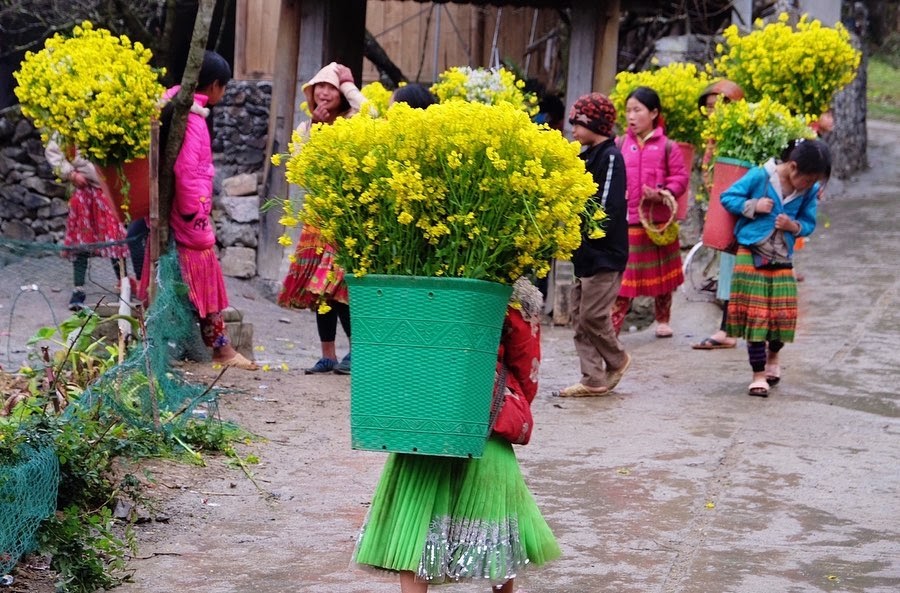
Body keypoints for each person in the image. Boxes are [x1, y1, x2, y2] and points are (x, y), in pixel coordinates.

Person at [353, 277, 560, 592]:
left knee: (417, 522)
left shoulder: (408, 280)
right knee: (496, 525)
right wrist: (511, 401)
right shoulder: (513, 297)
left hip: (422, 414)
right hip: (484, 421)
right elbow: (525, 366)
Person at [161, 50, 257, 371]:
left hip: (175, 211)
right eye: (224, 87)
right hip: (188, 214)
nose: (224, 94)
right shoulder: (193, 117)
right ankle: (222, 350)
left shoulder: (181, 108)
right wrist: (197, 216)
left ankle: (218, 349)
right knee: (204, 276)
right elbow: (190, 171)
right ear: (214, 85)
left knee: (179, 282)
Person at [720, 138, 831, 397]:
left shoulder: (809, 192)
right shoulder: (760, 177)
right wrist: (753, 206)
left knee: (782, 315)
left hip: (782, 256)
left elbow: (808, 222)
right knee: (756, 315)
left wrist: (794, 227)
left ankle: (773, 360)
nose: (811, 185)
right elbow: (728, 197)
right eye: (809, 179)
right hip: (751, 252)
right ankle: (758, 374)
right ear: (793, 167)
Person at [278, 62, 363, 375]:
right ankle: (327, 355)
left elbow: (372, 113)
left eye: (332, 87)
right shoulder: (304, 129)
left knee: (339, 286)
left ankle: (356, 353)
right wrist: (315, 130)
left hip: (346, 217)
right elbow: (301, 168)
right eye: (320, 87)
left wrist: (349, 83)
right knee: (319, 290)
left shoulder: (355, 121)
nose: (325, 93)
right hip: (318, 215)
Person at [557, 93, 631, 397]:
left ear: (596, 124)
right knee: (579, 317)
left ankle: (618, 359)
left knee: (592, 315)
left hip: (605, 253)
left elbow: (607, 206)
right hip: (584, 252)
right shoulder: (584, 156)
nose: (572, 128)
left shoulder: (610, 156)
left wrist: (590, 235)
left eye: (578, 123)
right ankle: (593, 379)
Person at [612, 86, 690, 338]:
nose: (631, 116)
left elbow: (680, 178)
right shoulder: (620, 144)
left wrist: (663, 192)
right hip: (629, 222)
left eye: (637, 110)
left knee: (662, 277)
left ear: (654, 112)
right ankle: (613, 325)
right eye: (628, 111)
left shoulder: (668, 147)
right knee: (624, 282)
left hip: (657, 224)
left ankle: (663, 319)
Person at [44, 139, 130, 311]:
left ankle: (124, 285)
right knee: (81, 240)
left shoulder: (109, 118)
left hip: (106, 189)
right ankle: (78, 290)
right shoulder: (69, 121)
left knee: (115, 238)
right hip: (84, 191)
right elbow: (53, 151)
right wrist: (71, 174)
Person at [692, 80, 745, 350]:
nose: (714, 112)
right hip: (722, 210)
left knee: (734, 270)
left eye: (721, 106)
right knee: (727, 269)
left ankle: (729, 329)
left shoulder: (742, 137)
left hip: (739, 212)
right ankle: (727, 328)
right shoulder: (715, 137)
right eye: (710, 107)